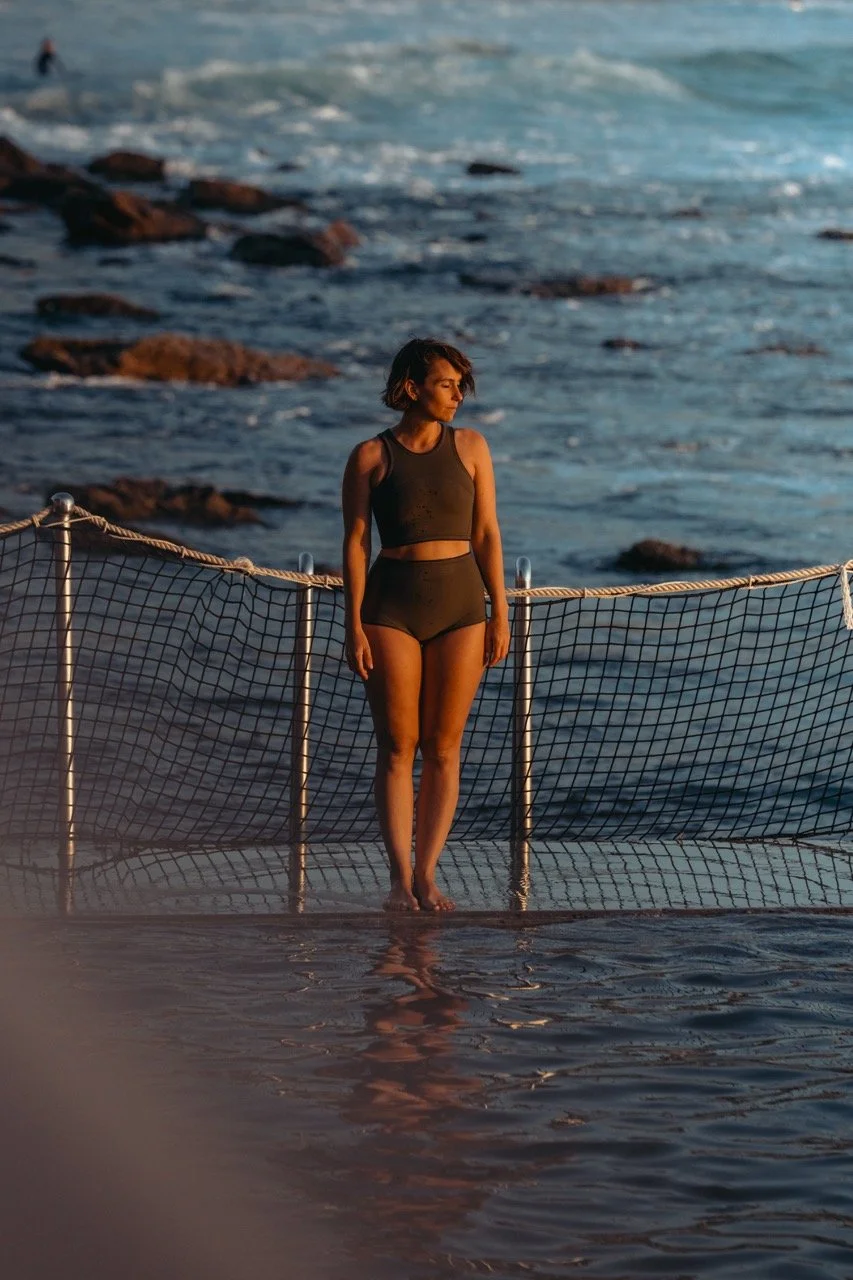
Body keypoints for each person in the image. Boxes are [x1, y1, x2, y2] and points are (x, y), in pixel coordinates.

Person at [341, 338, 510, 913]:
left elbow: (486, 534)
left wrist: (500, 612)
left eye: (461, 385)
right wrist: (354, 625)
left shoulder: (473, 447)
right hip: (391, 607)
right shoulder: (370, 456)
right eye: (446, 384)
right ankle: (397, 880)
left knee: (443, 746)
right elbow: (357, 543)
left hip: (462, 607)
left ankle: (428, 875)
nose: (457, 395)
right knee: (397, 746)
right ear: (411, 387)